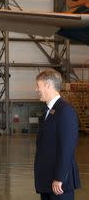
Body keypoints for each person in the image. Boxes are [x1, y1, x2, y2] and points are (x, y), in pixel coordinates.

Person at [34, 69, 80, 200]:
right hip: (47, 180)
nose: (36, 89)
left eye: (38, 85)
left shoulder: (65, 111)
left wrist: (59, 178)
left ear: (48, 85)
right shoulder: (49, 111)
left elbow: (67, 148)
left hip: (59, 184)